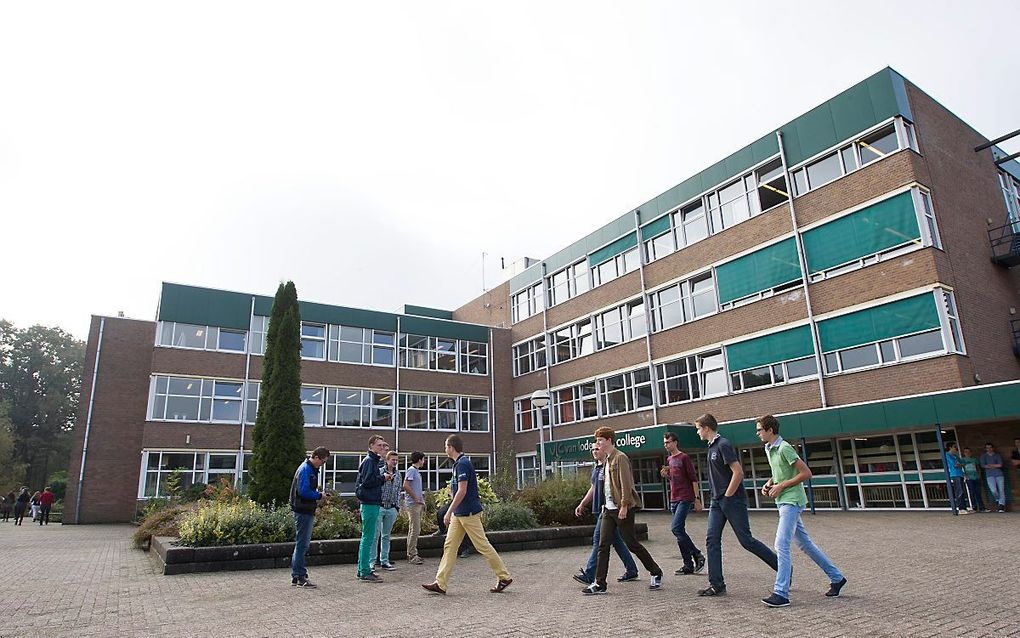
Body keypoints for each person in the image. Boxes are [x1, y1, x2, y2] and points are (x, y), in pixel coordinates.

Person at [756, 415, 847, 607]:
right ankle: (837, 578)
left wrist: (782, 486)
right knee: (806, 545)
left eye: (760, 430)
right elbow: (778, 472)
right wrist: (770, 483)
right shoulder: (769, 448)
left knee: (781, 545)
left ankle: (781, 593)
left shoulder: (784, 448)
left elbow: (806, 473)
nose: (758, 433)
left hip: (792, 501)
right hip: (783, 501)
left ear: (770, 430)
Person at [695, 413, 778, 598]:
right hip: (717, 501)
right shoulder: (711, 447)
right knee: (712, 540)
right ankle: (717, 584)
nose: (698, 432)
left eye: (699, 429)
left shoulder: (723, 444)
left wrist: (728, 494)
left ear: (706, 428)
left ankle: (783, 569)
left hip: (732, 500)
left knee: (746, 541)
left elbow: (738, 472)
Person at [422, 434, 512, 595]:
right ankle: (440, 583)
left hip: (468, 513)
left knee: (482, 545)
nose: (444, 449)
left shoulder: (463, 464)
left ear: (451, 447)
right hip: (460, 513)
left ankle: (503, 576)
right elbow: (458, 489)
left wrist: (448, 511)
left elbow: (462, 491)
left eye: (446, 446)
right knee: (450, 546)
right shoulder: (458, 465)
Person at [582, 426, 663, 595]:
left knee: (632, 543)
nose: (598, 444)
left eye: (600, 441)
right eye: (597, 441)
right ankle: (600, 583)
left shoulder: (620, 458)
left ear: (609, 440)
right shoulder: (607, 460)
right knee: (603, 546)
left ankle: (655, 571)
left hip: (621, 508)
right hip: (608, 510)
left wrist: (625, 505)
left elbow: (626, 484)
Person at [572, 447, 639, 585]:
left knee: (599, 540)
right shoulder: (596, 468)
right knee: (617, 542)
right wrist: (583, 503)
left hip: (607, 511)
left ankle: (590, 574)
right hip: (598, 510)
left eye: (597, 449)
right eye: (592, 449)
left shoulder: (608, 467)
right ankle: (631, 569)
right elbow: (593, 487)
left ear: (605, 451)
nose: (594, 451)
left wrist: (622, 505)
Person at [660, 431, 706, 576]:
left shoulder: (684, 458)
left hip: (685, 498)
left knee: (676, 528)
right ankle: (688, 565)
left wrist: (697, 499)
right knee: (680, 532)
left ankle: (697, 554)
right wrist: (667, 476)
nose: (666, 445)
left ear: (675, 442)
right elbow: (674, 480)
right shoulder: (669, 460)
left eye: (668, 442)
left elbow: (693, 479)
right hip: (674, 498)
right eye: (664, 443)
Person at [289, 446, 330, 588]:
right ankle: (300, 575)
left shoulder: (307, 469)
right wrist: (319, 495)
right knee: (302, 543)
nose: (323, 465)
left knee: (301, 543)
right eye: (323, 462)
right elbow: (304, 491)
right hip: (303, 510)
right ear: (317, 457)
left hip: (303, 509)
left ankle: (297, 574)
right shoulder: (306, 470)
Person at [357, 435, 391, 582]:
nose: (382, 448)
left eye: (383, 446)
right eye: (379, 445)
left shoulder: (372, 461)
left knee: (368, 537)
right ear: (371, 446)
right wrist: (383, 478)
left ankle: (362, 569)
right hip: (369, 503)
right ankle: (364, 571)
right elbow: (368, 481)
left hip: (371, 502)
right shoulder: (370, 461)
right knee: (368, 537)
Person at [371, 451, 401, 571]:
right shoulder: (380, 472)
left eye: (396, 460)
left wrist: (397, 507)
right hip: (380, 506)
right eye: (392, 460)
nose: (394, 462)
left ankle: (385, 560)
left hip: (392, 507)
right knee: (375, 535)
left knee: (386, 536)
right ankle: (372, 562)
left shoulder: (398, 474)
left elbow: (399, 490)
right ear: (387, 460)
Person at [402, 451, 426, 565]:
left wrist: (421, 500)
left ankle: (413, 553)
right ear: (420, 460)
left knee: (416, 529)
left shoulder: (415, 471)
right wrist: (416, 498)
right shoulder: (411, 470)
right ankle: (412, 555)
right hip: (412, 504)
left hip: (417, 504)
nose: (424, 461)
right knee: (414, 529)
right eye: (423, 459)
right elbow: (406, 485)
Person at [980, 443, 1006, 513]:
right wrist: (994, 465)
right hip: (989, 475)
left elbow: (1000, 464)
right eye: (987, 448)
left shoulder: (997, 455)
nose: (989, 449)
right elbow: (983, 465)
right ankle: (998, 499)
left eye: (990, 447)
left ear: (993, 448)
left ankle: (1001, 505)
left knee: (1001, 490)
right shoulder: (984, 456)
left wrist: (990, 465)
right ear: (986, 449)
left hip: (999, 474)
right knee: (993, 490)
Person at [944, 443, 969, 514]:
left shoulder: (955, 456)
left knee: (962, 490)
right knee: (959, 491)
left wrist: (960, 465)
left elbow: (962, 462)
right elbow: (955, 465)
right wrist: (959, 464)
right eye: (954, 447)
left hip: (960, 474)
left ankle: (964, 507)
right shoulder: (947, 455)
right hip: (954, 474)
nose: (956, 448)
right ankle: (961, 508)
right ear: (950, 447)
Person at [960, 447, 986, 513]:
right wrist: (965, 476)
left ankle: (981, 507)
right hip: (969, 478)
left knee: (978, 492)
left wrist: (979, 475)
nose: (967, 453)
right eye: (966, 452)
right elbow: (961, 469)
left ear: (971, 453)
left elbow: (978, 468)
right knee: (972, 492)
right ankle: (974, 507)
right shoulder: (962, 460)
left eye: (969, 452)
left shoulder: (974, 459)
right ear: (964, 453)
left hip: (976, 477)